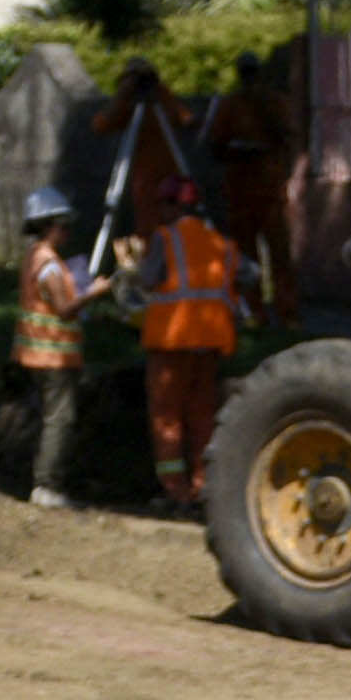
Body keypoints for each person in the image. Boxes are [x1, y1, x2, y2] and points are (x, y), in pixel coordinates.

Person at [13, 187, 112, 510]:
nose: (68, 231)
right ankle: (46, 486)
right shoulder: (50, 265)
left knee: (47, 418)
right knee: (59, 420)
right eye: (63, 225)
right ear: (46, 226)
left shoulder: (35, 257)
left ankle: (41, 479)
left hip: (37, 355)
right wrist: (95, 292)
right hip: (53, 355)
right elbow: (64, 308)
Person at [142, 191, 245, 496]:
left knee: (167, 416)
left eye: (164, 204)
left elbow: (149, 279)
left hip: (172, 344)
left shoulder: (165, 239)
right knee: (202, 415)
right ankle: (204, 483)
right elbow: (249, 273)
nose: (161, 211)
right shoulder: (223, 245)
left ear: (174, 206)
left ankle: (175, 489)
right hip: (210, 344)